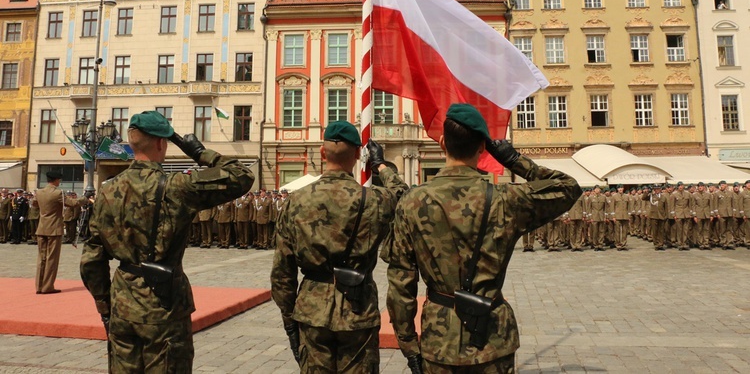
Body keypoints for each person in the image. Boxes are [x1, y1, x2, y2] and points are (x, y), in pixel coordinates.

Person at [385, 103, 581, 372]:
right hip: (492, 337)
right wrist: (513, 160)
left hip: (439, 340)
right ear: (482, 148)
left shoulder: (411, 202)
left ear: (442, 143)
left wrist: (409, 346)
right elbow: (569, 188)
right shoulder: (506, 199)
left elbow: (400, 283)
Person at [80, 110, 254, 373]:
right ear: (162, 143)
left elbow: (92, 258)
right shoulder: (177, 185)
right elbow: (241, 176)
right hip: (164, 303)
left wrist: (106, 307)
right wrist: (198, 152)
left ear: (131, 141)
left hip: (122, 303)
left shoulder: (107, 189)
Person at [271, 121, 407, 372]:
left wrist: (290, 319)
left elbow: (282, 272)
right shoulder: (374, 199)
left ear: (323, 153)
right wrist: (381, 166)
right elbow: (402, 195)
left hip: (312, 308)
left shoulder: (295, 201)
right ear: (357, 154)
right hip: (358, 306)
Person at [33, 171, 81, 293]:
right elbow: (73, 203)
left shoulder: (39, 192)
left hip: (42, 228)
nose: (59, 182)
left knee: (41, 258)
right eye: (59, 180)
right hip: (54, 228)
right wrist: (85, 198)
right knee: (52, 259)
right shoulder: (58, 193)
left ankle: (39, 286)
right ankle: (47, 286)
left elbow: (34, 205)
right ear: (56, 180)